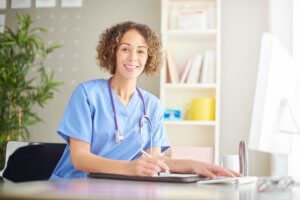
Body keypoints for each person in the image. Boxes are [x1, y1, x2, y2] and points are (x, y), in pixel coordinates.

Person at [49, 21, 241, 180]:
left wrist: (196, 166)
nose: (133, 57)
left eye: (141, 51)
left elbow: (156, 159)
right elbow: (80, 158)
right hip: (72, 186)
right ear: (113, 52)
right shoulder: (87, 94)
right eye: (125, 49)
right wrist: (130, 168)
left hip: (113, 188)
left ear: (149, 57)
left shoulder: (152, 105)